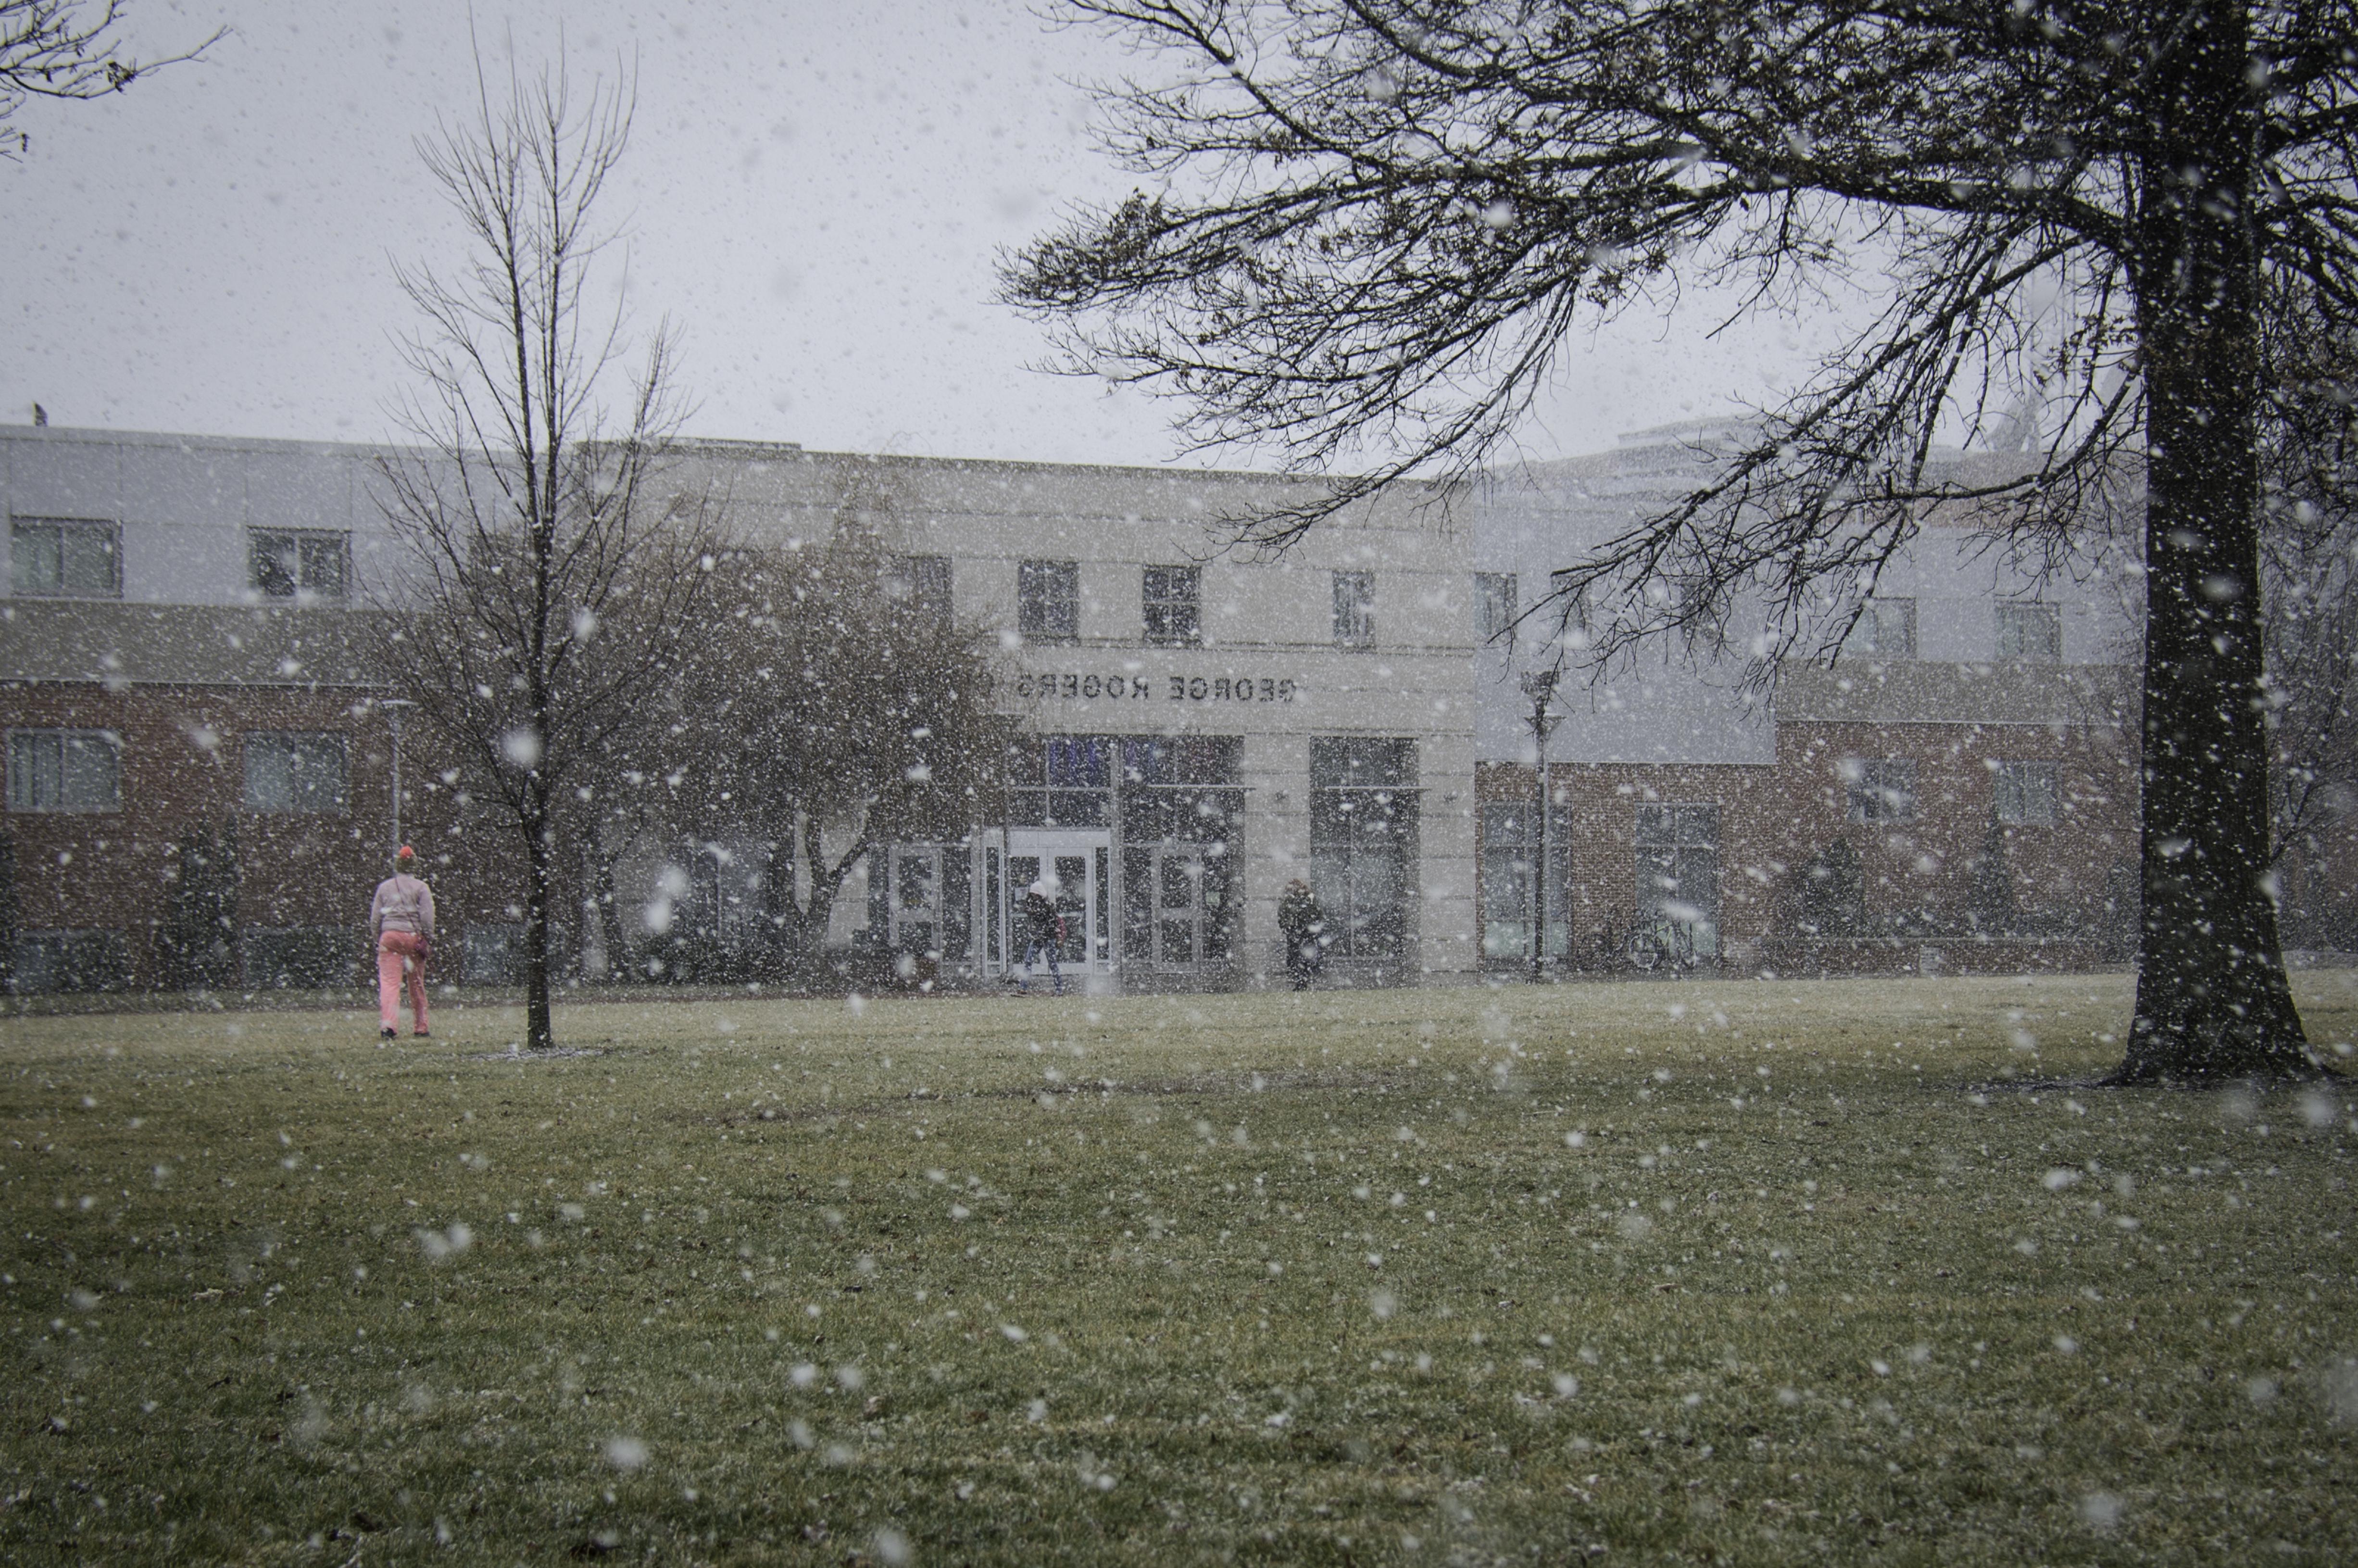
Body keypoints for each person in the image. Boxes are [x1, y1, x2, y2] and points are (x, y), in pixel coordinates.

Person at [369, 845, 436, 1040]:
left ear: (398, 865)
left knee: (390, 984)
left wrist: (378, 938)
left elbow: (375, 918)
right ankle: (421, 1027)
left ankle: (389, 1026)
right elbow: (427, 917)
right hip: (413, 937)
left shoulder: (385, 887)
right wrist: (428, 937)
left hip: (389, 937)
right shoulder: (421, 887)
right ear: (414, 866)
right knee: (417, 984)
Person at [1279, 878, 1327, 991]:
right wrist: (1286, 927)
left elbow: (1318, 914)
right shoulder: (1291, 900)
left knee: (1301, 957)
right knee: (1297, 957)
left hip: (1305, 932)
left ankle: (1302, 980)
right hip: (1297, 932)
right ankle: (1301, 980)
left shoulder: (1308, 899)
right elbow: (1282, 914)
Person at [1018, 878, 1065, 995]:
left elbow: (1053, 923)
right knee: (1030, 962)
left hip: (1046, 938)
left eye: (1035, 894)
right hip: (1040, 938)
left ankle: (1059, 989)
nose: (1034, 896)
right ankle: (1023, 987)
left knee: (1050, 963)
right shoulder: (1038, 906)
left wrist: (1042, 931)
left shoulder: (1046, 908)